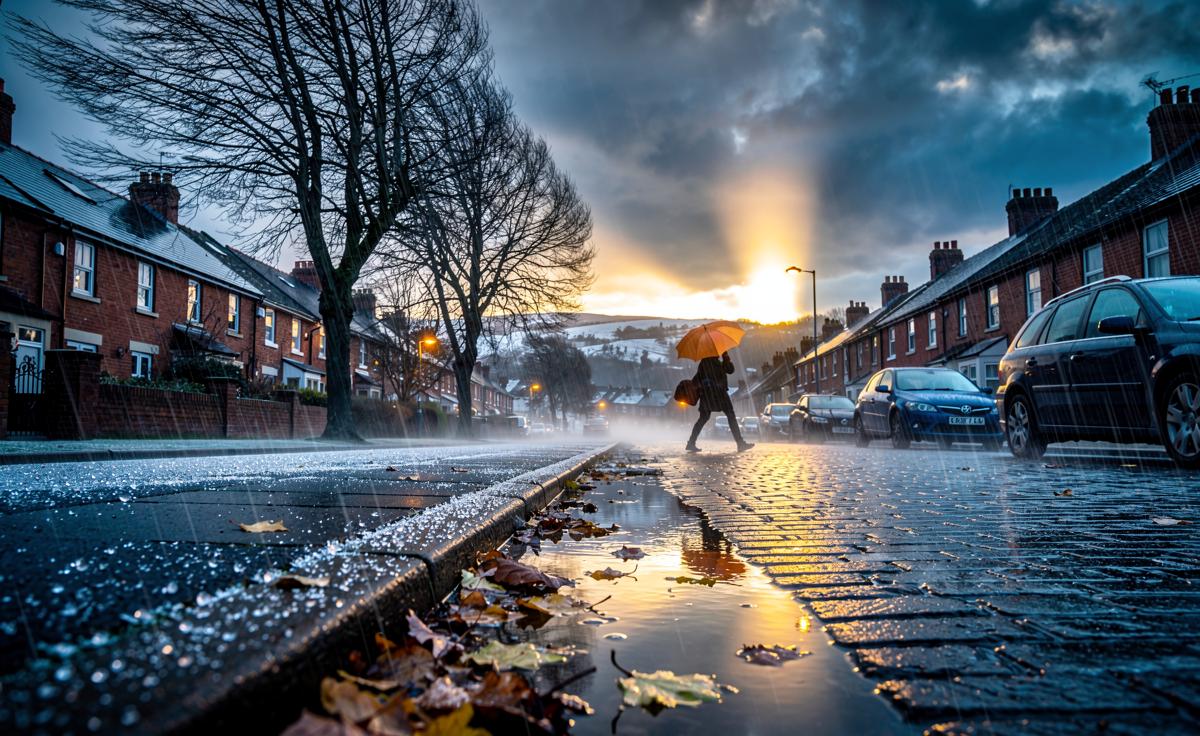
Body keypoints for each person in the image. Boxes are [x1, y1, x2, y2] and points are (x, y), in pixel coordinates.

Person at [686, 352, 754, 452]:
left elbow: (698, 378)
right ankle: (740, 443)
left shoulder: (706, 363)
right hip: (718, 395)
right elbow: (730, 370)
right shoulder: (713, 363)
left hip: (708, 396)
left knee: (704, 418)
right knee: (730, 415)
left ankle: (691, 443)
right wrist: (726, 357)